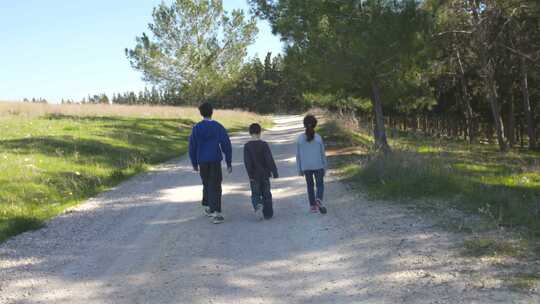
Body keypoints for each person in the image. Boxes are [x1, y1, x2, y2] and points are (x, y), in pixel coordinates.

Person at [189, 102, 232, 224]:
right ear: (212, 112)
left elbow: (192, 146)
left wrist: (194, 163)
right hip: (214, 159)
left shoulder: (197, 128)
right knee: (216, 185)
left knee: (207, 183)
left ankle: (208, 205)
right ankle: (216, 213)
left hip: (202, 161)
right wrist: (228, 162)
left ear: (201, 113)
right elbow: (226, 144)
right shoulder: (218, 127)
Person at [243, 123, 279, 220]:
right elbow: (269, 159)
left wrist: (250, 174)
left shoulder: (247, 146)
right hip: (265, 174)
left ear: (250, 133)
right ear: (260, 132)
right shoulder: (264, 145)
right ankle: (268, 214)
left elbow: (247, 162)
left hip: (254, 175)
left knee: (255, 193)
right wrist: (274, 172)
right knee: (266, 194)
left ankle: (257, 205)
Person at [296, 115, 328, 214]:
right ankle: (318, 199)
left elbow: (298, 155)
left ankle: (313, 206)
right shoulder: (318, 138)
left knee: (310, 186)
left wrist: (299, 169)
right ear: (315, 124)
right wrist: (325, 166)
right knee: (320, 185)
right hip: (318, 165)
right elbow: (322, 154)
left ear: (304, 124)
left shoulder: (300, 139)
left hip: (306, 167)